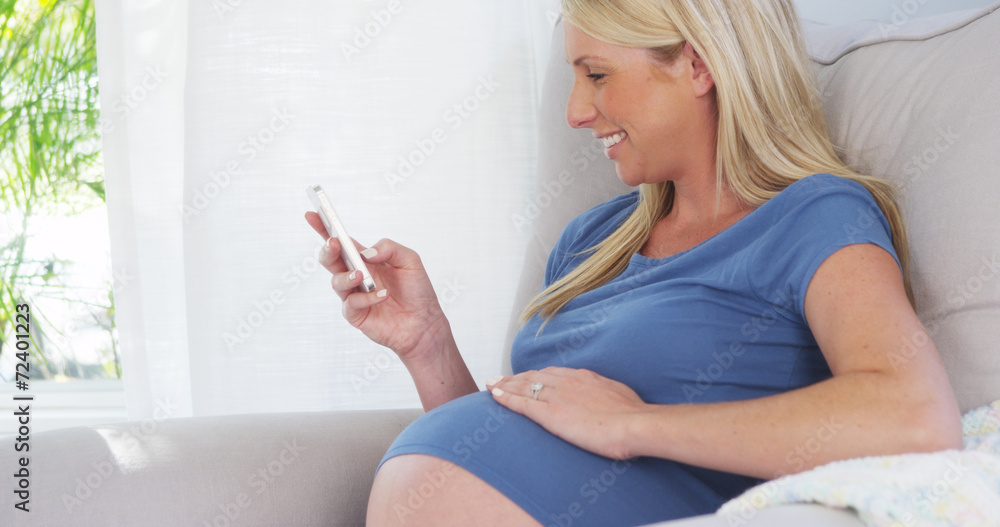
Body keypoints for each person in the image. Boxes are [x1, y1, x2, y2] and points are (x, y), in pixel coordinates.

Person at [305, 0, 962, 525]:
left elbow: (914, 414)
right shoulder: (591, 242)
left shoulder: (814, 216)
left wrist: (633, 425)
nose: (574, 112)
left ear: (697, 66)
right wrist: (427, 344)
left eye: (596, 74)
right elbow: (511, 450)